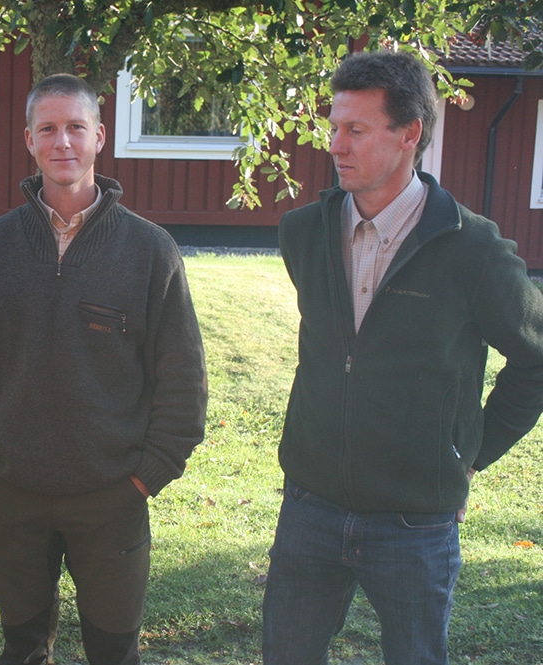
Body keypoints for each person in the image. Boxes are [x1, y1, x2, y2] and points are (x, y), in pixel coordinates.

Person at [263, 49, 543, 665]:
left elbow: (536, 359)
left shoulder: (473, 249)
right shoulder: (303, 232)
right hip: (310, 505)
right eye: (334, 126)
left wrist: (469, 452)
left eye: (355, 130)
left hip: (417, 523)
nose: (335, 144)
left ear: (409, 133)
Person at [0, 73, 208, 665]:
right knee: (23, 649)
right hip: (10, 496)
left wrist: (144, 479)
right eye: (49, 129)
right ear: (29, 140)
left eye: (76, 128)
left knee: (115, 653)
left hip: (112, 500)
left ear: (100, 137)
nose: (63, 142)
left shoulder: (150, 250)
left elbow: (183, 382)